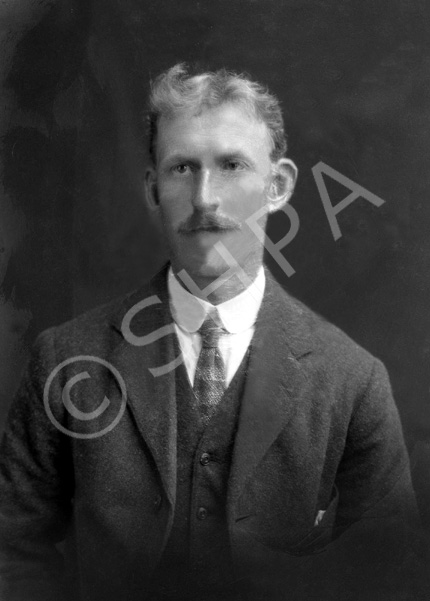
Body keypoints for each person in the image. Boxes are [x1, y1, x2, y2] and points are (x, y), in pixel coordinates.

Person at [0, 64, 426, 601]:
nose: (205, 197)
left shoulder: (354, 379)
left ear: (278, 186)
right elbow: (11, 549)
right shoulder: (67, 359)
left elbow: (390, 571)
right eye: (182, 168)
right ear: (153, 189)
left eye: (231, 165)